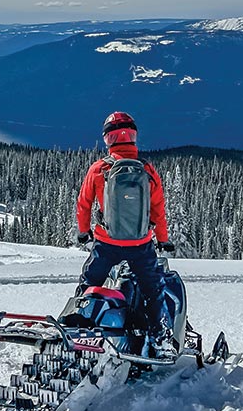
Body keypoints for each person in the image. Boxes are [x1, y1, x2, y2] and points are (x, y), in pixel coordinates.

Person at [75, 111, 176, 360]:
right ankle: (160, 338)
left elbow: (84, 204)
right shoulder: (148, 171)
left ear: (108, 139)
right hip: (140, 245)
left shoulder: (99, 169)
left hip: (106, 243)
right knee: (153, 290)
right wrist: (163, 239)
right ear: (133, 137)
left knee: (89, 285)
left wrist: (83, 231)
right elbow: (158, 211)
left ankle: (75, 327)